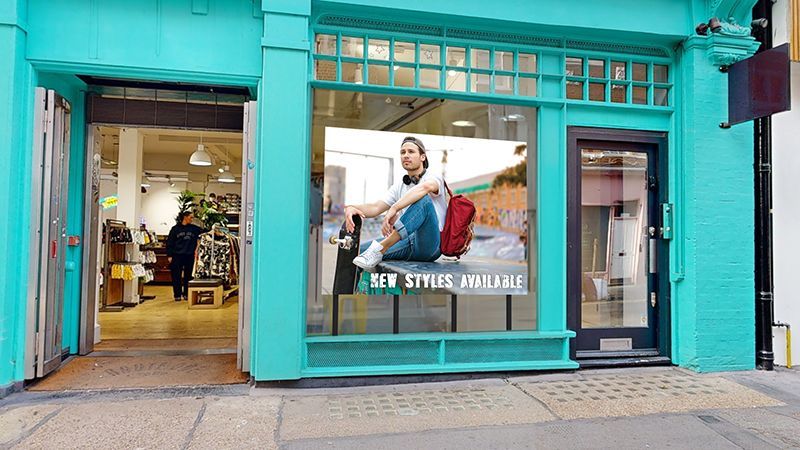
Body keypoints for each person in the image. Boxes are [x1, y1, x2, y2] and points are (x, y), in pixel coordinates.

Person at [345, 136, 448, 270]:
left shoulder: (434, 177)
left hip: (429, 244)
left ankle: (381, 249)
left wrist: (395, 207)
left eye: (411, 152)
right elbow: (375, 207)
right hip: (405, 242)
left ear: (423, 157)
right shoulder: (399, 186)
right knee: (358, 252)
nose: (406, 155)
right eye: (403, 152)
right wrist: (351, 208)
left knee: (423, 199)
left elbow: (425, 188)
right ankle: (360, 289)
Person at [166, 211, 204, 301]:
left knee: (188, 276)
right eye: (191, 217)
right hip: (177, 255)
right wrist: (169, 255)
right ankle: (177, 295)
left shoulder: (194, 228)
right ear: (185, 217)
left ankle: (186, 294)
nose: (192, 219)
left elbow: (205, 231)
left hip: (189, 255)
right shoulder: (175, 229)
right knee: (176, 276)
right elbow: (170, 242)